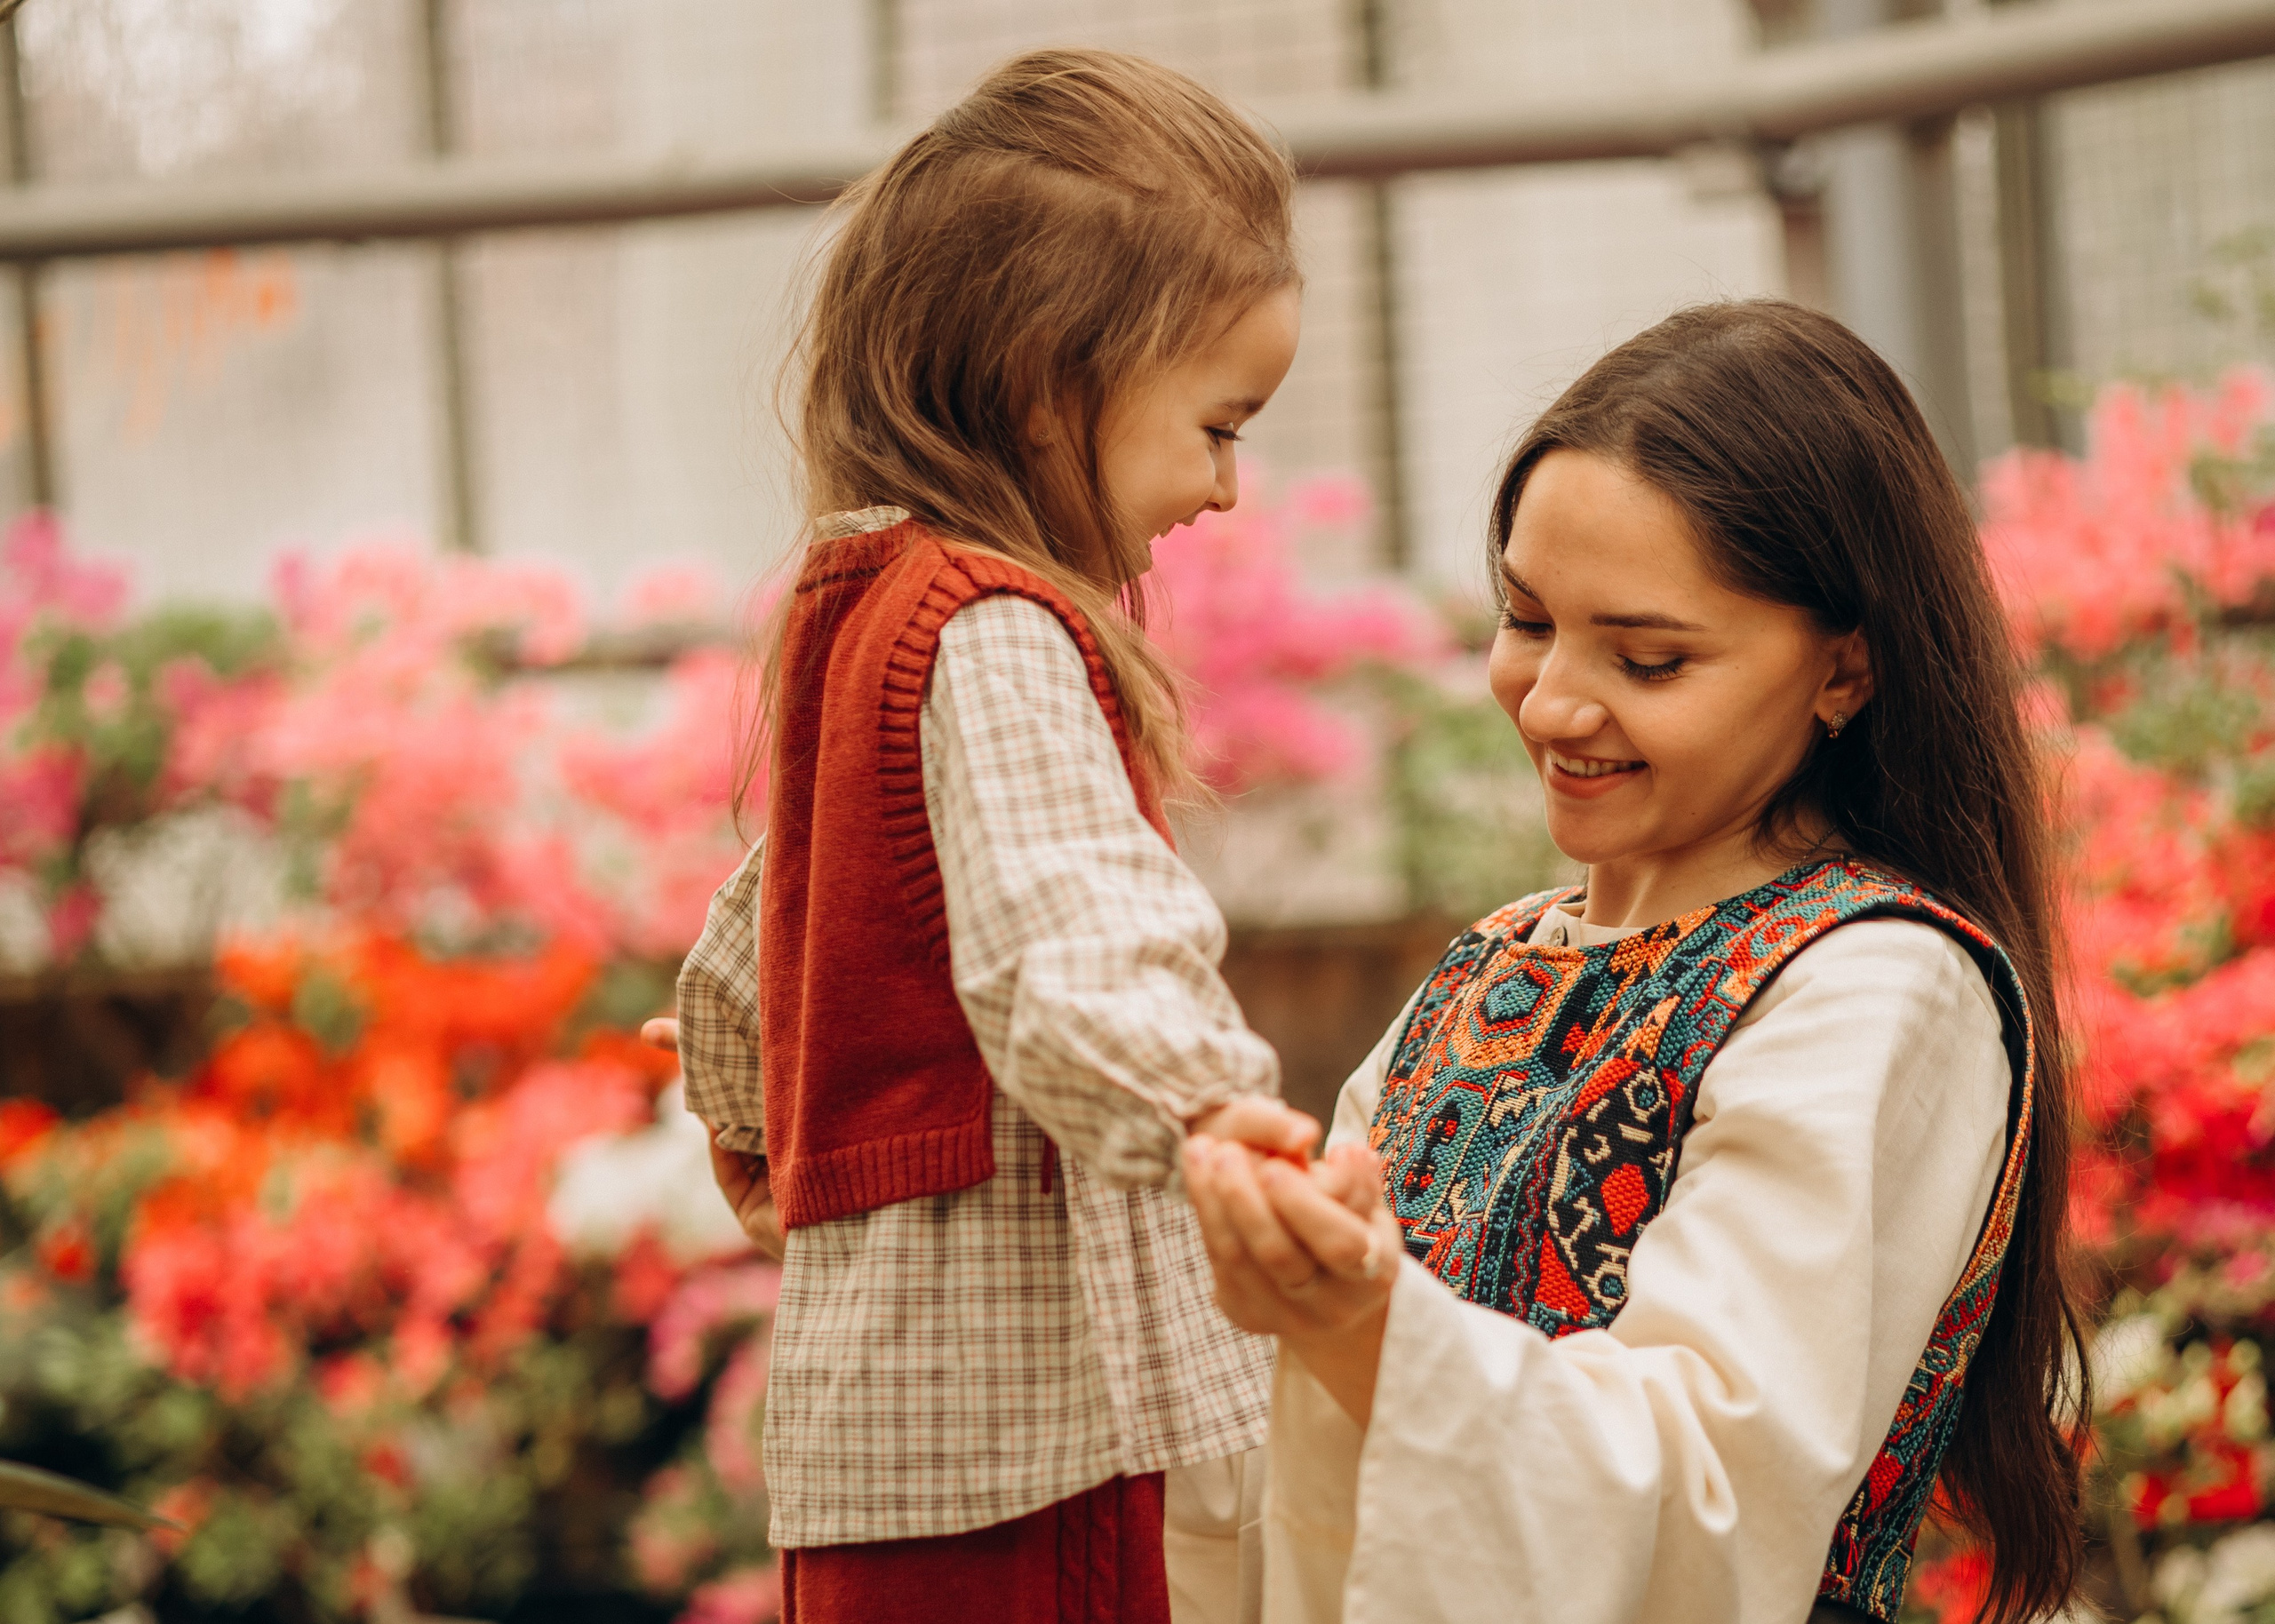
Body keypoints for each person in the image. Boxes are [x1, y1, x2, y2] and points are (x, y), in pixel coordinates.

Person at [1180, 301, 2089, 1624]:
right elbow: (1279, 1457)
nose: (1551, 703)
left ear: (1847, 669)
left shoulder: (1878, 984)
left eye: (1649, 659)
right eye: (1528, 620)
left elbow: (1710, 1495)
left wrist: (1359, 1322)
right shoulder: (1490, 963)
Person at [650, 47, 1324, 1624]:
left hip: (876, 1441)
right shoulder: (998, 628)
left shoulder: (856, 612)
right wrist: (1224, 1126)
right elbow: (1068, 943)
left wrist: (773, 1152)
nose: (1227, 490)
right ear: (1046, 383)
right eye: (1218, 427)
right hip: (1043, 1430)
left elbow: (746, 960)